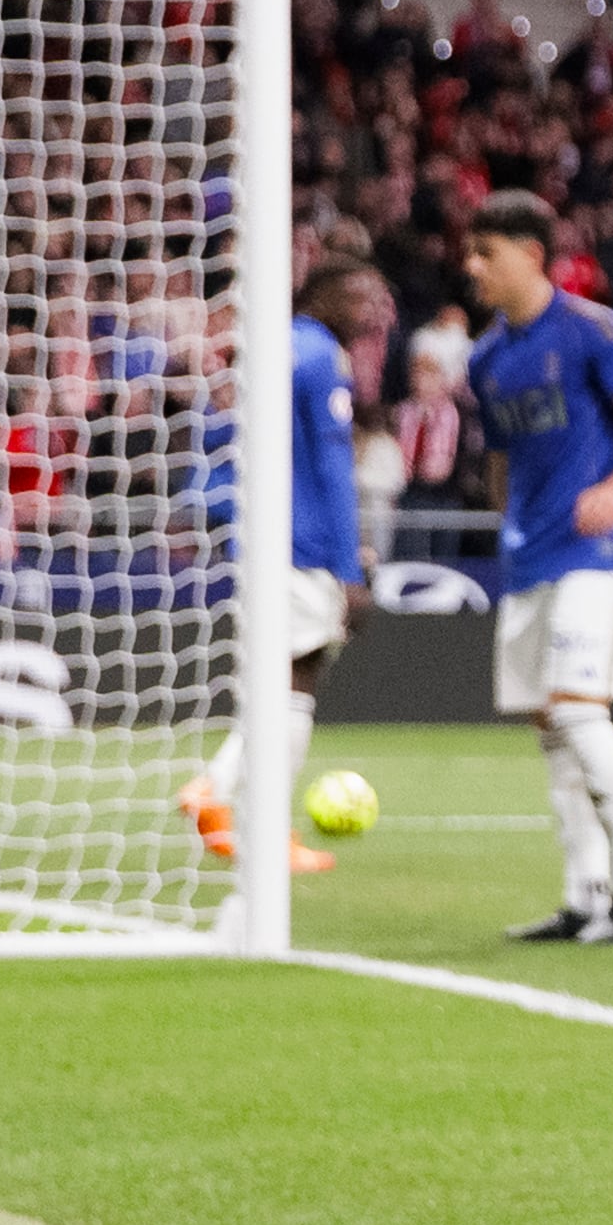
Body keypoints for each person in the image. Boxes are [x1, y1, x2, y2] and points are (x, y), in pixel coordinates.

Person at [465, 193, 613, 946]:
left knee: (581, 714)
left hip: (598, 556)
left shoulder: (595, 330)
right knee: (553, 730)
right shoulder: (485, 357)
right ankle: (582, 895)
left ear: (531, 253)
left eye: (485, 253)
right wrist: (512, 522)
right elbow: (500, 460)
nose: (472, 267)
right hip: (531, 557)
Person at [178, 260, 393, 877]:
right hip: (303, 546)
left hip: (258, 538)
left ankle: (217, 787)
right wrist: (349, 568)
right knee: (299, 678)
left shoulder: (272, 349)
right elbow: (332, 466)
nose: (370, 309)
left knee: (278, 677)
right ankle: (254, 820)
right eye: (356, 295)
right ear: (319, 297)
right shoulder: (320, 355)